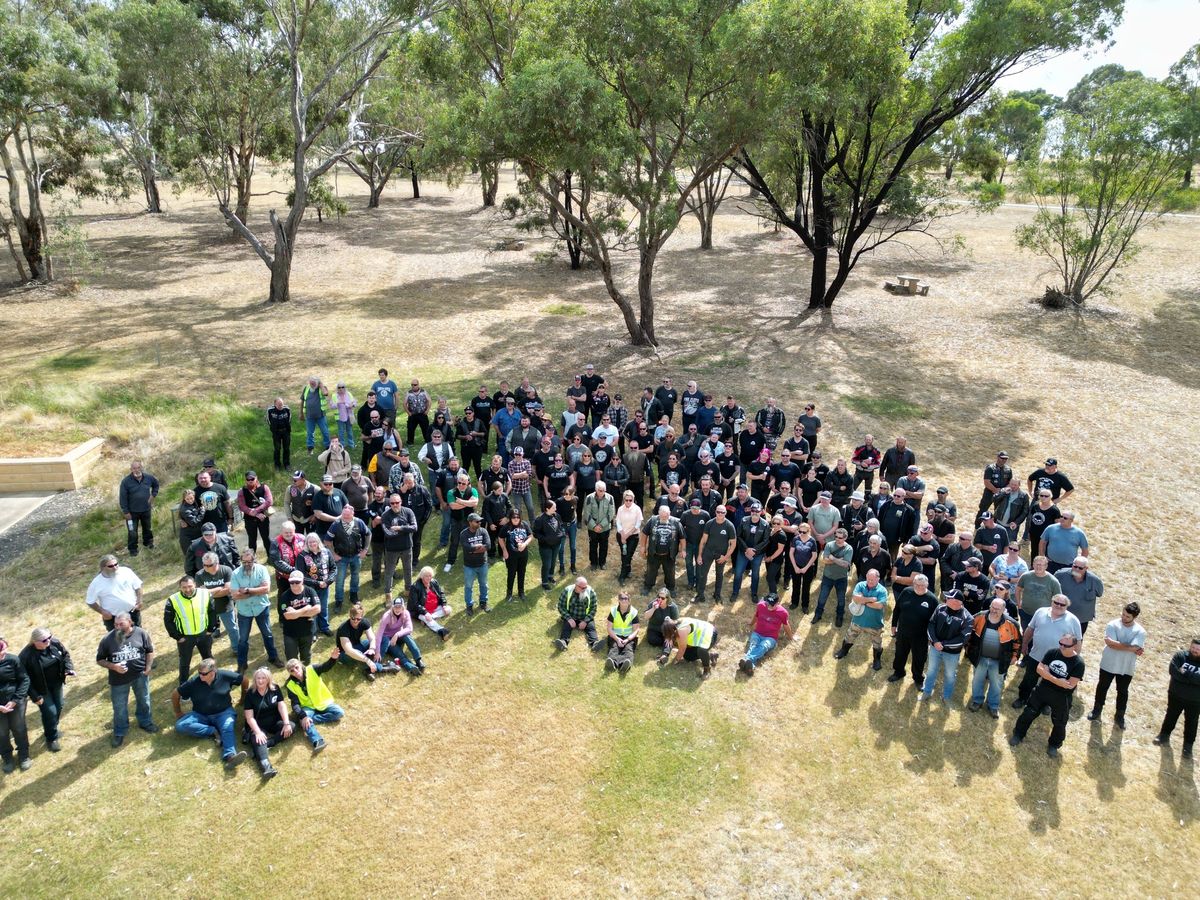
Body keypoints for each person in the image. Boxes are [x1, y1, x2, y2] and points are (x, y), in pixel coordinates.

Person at [1009, 633, 1084, 758]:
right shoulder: (1053, 652)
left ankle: (1054, 744)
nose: (1062, 647)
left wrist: (1047, 674)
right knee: (1029, 712)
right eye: (1060, 643)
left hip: (1062, 696)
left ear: (1074, 646)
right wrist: (1057, 680)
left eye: (1066, 645)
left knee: (1059, 723)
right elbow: (1039, 669)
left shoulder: (1078, 663)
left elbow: (1070, 684)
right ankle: (1018, 734)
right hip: (1043, 689)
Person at [172, 658, 248, 769]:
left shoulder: (224, 675)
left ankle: (230, 756)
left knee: (227, 727)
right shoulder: (193, 682)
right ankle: (212, 731)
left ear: (213, 672)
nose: (200, 676)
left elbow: (244, 680)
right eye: (199, 673)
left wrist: (243, 699)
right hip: (200, 715)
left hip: (224, 712)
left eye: (204, 674)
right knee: (180, 725)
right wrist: (178, 712)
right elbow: (175, 694)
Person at [96, 613, 158, 747]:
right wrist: (113, 666)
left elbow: (149, 651)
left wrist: (148, 667)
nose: (118, 627)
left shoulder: (141, 633)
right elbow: (99, 659)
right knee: (119, 707)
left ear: (130, 622)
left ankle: (145, 722)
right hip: (118, 680)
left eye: (121, 624)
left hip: (140, 676)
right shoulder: (108, 639)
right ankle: (120, 731)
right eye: (115, 625)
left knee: (144, 700)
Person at [1013, 595, 1082, 708]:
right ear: (1052, 601)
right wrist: (1024, 644)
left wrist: (1074, 659)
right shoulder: (1040, 612)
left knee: (1051, 685)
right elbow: (1030, 629)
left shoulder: (1073, 620)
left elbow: (1078, 641)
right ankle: (1022, 698)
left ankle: (1046, 705)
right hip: (1036, 655)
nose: (1058, 605)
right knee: (1029, 679)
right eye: (1056, 602)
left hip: (1056, 661)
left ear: (1067, 606)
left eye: (1062, 604)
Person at [1088, 602, 1146, 729]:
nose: (1124, 618)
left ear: (1134, 617)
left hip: (1126, 666)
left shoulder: (1140, 631)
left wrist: (1118, 644)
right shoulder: (1113, 624)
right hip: (1108, 663)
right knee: (1102, 687)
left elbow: (1128, 646)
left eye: (1127, 617)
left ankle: (1120, 715)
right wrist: (1131, 647)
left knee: (1123, 691)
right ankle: (1097, 709)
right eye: (1123, 614)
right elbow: (1111, 644)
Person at [18, 628, 74, 753]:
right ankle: (51, 738)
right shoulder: (25, 656)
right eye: (44, 640)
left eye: (50, 637)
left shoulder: (54, 643)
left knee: (59, 707)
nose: (48, 641)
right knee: (50, 712)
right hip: (41, 689)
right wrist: (34, 696)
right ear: (35, 641)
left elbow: (65, 655)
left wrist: (68, 668)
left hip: (57, 684)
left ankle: (51, 727)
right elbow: (23, 678)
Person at [966, 598, 1021, 717]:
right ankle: (977, 701)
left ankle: (993, 706)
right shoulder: (979, 617)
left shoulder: (1011, 624)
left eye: (997, 609)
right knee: (977, 680)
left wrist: (1015, 656)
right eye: (992, 607)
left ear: (1003, 610)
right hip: (981, 657)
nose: (994, 610)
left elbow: (1017, 642)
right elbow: (968, 632)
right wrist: (968, 649)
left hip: (999, 660)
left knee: (996, 684)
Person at [232, 548, 281, 675]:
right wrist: (256, 591)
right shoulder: (235, 573)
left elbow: (266, 589)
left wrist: (247, 590)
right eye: (244, 562)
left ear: (255, 559)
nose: (247, 564)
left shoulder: (262, 569)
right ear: (241, 561)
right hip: (244, 611)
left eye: (250, 561)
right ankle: (242, 664)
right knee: (243, 639)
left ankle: (273, 657)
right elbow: (235, 596)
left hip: (261, 608)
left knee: (267, 634)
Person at [919, 589, 973, 703]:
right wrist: (935, 641)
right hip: (935, 647)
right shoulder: (940, 608)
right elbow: (931, 624)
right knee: (931, 670)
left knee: (950, 675)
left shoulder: (967, 618)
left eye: (948, 597)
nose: (945, 599)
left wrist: (943, 645)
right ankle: (927, 691)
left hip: (952, 653)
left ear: (956, 602)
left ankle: (946, 696)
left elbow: (963, 639)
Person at [163, 574, 218, 685]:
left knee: (208, 658)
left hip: (204, 634)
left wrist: (211, 629)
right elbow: (168, 621)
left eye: (190, 586)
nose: (187, 589)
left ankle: (214, 679)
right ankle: (183, 685)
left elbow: (212, 612)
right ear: (180, 587)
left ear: (195, 585)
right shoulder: (173, 600)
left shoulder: (205, 594)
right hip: (185, 638)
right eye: (184, 587)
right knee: (184, 663)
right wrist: (178, 637)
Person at [241, 667, 293, 779]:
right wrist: (258, 732)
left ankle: (268, 743)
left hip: (274, 721)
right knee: (258, 738)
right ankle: (266, 767)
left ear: (268, 679)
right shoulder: (250, 693)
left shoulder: (275, 688)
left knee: (291, 726)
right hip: (258, 724)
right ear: (255, 679)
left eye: (263, 678)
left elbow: (281, 705)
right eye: (258, 678)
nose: (260, 681)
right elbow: (249, 717)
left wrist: (286, 723)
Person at [284, 655, 344, 752]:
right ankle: (317, 741)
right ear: (289, 673)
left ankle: (310, 720)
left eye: (296, 667)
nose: (295, 671)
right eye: (292, 670)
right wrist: (303, 716)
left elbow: (326, 666)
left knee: (339, 713)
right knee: (305, 720)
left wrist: (333, 658)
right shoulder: (290, 684)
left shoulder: (312, 669)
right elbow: (295, 704)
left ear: (300, 665)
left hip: (323, 702)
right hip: (307, 707)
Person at [1153, 638, 1200, 759]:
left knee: (1192, 723)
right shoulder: (1180, 656)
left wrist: (1185, 673)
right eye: (1193, 648)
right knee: (1171, 716)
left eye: (1198, 649)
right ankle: (1164, 735)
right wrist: (1194, 679)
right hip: (1176, 695)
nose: (1194, 651)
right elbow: (1173, 671)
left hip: (1195, 700)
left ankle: (1187, 747)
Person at [833, 569, 889, 670]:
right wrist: (870, 600)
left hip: (874, 623)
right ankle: (843, 651)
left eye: (872, 579)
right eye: (868, 578)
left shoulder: (882, 590)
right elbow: (855, 599)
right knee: (849, 636)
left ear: (878, 579)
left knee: (877, 643)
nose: (870, 581)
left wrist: (863, 601)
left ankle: (876, 660)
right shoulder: (860, 585)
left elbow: (879, 606)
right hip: (858, 621)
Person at [889, 574, 937, 686]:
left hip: (921, 636)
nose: (919, 587)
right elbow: (897, 609)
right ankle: (899, 672)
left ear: (927, 585)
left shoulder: (932, 599)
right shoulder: (906, 592)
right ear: (913, 584)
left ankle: (918, 678)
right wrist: (893, 625)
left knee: (919, 658)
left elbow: (934, 621)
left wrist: (932, 637)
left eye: (922, 585)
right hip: (903, 632)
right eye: (916, 584)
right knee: (900, 654)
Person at [325, 505, 370, 611]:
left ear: (353, 514)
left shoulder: (359, 522)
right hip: (341, 557)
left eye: (347, 515)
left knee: (355, 576)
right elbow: (327, 540)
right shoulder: (336, 524)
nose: (345, 516)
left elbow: (368, 534)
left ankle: (354, 596)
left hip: (356, 556)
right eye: (343, 514)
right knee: (339, 580)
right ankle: (338, 601)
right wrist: (333, 554)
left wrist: (365, 550)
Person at [738, 593, 793, 676]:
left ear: (777, 604)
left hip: (770, 638)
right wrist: (751, 624)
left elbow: (786, 625)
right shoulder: (760, 605)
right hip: (757, 633)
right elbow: (756, 616)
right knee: (753, 644)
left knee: (763, 646)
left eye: (771, 605)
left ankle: (747, 659)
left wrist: (791, 637)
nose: (769, 607)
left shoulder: (783, 613)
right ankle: (750, 666)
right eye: (767, 604)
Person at [86, 554, 143, 630]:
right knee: (117, 640)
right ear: (103, 568)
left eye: (116, 564)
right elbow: (90, 601)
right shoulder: (96, 583)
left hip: (132, 612)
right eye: (111, 566)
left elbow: (138, 586)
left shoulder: (126, 571)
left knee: (138, 636)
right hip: (113, 618)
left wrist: (139, 601)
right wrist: (103, 612)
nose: (115, 567)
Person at [379, 492, 417, 603]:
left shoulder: (408, 511)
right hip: (391, 549)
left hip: (407, 547)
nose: (395, 505)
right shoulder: (385, 516)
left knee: (408, 570)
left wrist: (399, 528)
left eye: (397, 502)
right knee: (389, 572)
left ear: (401, 502)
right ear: (390, 504)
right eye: (392, 503)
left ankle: (408, 590)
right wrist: (406, 530)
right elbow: (388, 534)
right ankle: (388, 595)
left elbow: (414, 527)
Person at [0, 635, 31, 772]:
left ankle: (24, 756)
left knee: (19, 729)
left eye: (5, 649)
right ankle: (7, 758)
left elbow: (24, 679)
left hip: (15, 703)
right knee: (1, 733)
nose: (4, 653)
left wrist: (15, 700)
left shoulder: (13, 660)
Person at [812, 529, 854, 626]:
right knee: (822, 597)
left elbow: (845, 564)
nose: (837, 539)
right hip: (828, 577)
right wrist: (839, 560)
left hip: (841, 578)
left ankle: (839, 616)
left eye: (840, 538)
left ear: (845, 538)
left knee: (841, 599)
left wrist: (832, 558)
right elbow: (824, 560)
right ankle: (818, 614)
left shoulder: (849, 549)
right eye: (836, 537)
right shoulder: (829, 545)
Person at [641, 504, 685, 595]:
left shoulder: (676, 522)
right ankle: (647, 587)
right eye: (663, 515)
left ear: (669, 513)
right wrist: (642, 547)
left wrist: (682, 550)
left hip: (669, 554)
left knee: (670, 573)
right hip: (654, 553)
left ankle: (671, 589)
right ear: (659, 513)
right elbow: (644, 533)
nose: (665, 517)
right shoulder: (652, 520)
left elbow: (682, 538)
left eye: (667, 515)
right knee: (651, 571)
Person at [277, 572, 320, 665]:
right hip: (290, 634)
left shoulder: (310, 591)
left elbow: (317, 609)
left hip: (307, 632)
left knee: (306, 658)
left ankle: (305, 676)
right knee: (292, 660)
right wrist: (307, 608)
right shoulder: (285, 596)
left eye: (297, 582)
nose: (294, 584)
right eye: (292, 582)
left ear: (302, 581)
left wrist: (295, 613)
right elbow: (288, 616)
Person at [118, 460, 159, 556]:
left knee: (147, 528)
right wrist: (125, 511)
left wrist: (153, 495)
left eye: (138, 468)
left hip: (146, 509)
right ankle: (133, 549)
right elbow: (122, 498)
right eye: (134, 468)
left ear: (141, 468)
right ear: (131, 470)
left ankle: (148, 543)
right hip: (131, 513)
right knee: (132, 531)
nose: (136, 470)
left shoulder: (149, 478)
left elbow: (156, 485)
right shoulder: (125, 482)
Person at [375, 597, 425, 675]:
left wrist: (397, 634)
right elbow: (379, 634)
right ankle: (411, 667)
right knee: (399, 653)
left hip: (398, 636)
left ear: (403, 607)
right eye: (395, 607)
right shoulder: (386, 616)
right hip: (388, 640)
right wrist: (377, 651)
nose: (397, 609)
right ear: (392, 607)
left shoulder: (406, 613)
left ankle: (418, 660)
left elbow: (410, 628)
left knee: (407, 636)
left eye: (400, 607)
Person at [1054, 556, 1103, 635]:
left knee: (1076, 640)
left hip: (1081, 620)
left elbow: (1099, 593)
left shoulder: (1094, 581)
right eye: (1075, 566)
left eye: (1080, 568)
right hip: (1061, 616)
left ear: (1086, 568)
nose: (1076, 569)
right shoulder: (1060, 575)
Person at [554, 577, 601, 651]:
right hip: (571, 616)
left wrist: (585, 621)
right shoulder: (567, 591)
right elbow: (561, 606)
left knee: (591, 628)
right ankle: (563, 642)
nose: (584, 589)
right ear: (576, 585)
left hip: (585, 617)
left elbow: (593, 608)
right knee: (566, 627)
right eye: (582, 588)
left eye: (585, 587)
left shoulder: (591, 592)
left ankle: (595, 644)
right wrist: (568, 618)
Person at [459, 512, 492, 614]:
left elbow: (488, 546)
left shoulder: (483, 531)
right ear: (470, 522)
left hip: (483, 564)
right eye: (477, 521)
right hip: (469, 566)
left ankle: (483, 602)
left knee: (484, 584)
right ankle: (469, 605)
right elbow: (466, 548)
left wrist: (473, 550)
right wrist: (478, 547)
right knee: (469, 586)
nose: (479, 523)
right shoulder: (463, 534)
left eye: (480, 521)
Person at [408, 567, 452, 640]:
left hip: (434, 608)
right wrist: (425, 613)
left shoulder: (434, 582)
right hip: (419, 611)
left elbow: (441, 594)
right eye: (426, 576)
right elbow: (415, 604)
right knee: (427, 618)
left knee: (448, 609)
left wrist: (444, 605)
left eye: (430, 576)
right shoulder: (415, 587)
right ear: (422, 576)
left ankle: (431, 617)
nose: (429, 578)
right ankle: (441, 631)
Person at [499, 508, 533, 601]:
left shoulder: (524, 524)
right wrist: (504, 551)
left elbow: (530, 536)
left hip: (523, 554)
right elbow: (500, 538)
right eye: (514, 517)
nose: (516, 519)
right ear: (510, 518)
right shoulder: (506, 527)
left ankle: (521, 592)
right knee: (511, 573)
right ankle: (509, 593)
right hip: (511, 555)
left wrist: (525, 544)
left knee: (522, 573)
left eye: (518, 517)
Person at [582, 480, 616, 570]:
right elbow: (587, 513)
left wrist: (601, 525)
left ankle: (602, 563)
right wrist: (594, 526)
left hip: (605, 528)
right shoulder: (589, 498)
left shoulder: (610, 498)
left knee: (604, 546)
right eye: (600, 490)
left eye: (604, 490)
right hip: (592, 528)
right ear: (596, 490)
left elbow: (611, 514)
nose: (602, 492)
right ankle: (593, 563)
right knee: (593, 545)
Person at [237, 470, 273, 554]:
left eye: (252, 479)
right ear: (245, 480)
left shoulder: (264, 487)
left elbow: (269, 501)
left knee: (266, 538)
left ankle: (271, 557)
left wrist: (256, 511)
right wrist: (255, 514)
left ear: (256, 478)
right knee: (252, 540)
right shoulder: (242, 491)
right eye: (248, 479)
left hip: (263, 518)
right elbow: (242, 506)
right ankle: (251, 559)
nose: (250, 481)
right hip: (249, 520)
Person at [533, 500, 566, 590]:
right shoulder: (540, 519)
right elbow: (536, 533)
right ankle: (544, 582)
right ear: (547, 509)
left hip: (556, 544)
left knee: (553, 562)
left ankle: (550, 576)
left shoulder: (557, 516)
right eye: (553, 507)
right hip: (545, 546)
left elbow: (561, 526)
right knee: (546, 564)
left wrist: (562, 533)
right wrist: (545, 539)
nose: (555, 509)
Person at [605, 591, 640, 673]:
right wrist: (617, 639)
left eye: (626, 598)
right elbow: (609, 628)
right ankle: (612, 663)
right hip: (615, 635)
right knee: (614, 648)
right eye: (622, 598)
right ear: (619, 600)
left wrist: (627, 640)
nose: (624, 600)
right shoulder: (613, 611)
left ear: (629, 600)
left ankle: (625, 663)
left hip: (629, 637)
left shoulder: (634, 612)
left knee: (628, 649)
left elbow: (636, 630)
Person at [615, 490, 644, 584]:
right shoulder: (620, 509)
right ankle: (627, 571)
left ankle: (622, 576)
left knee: (628, 555)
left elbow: (638, 524)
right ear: (624, 499)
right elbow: (618, 522)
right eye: (626, 500)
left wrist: (627, 535)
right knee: (624, 554)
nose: (628, 502)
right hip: (621, 535)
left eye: (630, 500)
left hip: (633, 536)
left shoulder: (637, 509)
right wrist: (623, 534)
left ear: (633, 500)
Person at [788, 523, 819, 612]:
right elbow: (791, 553)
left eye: (804, 532)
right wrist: (795, 567)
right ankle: (794, 602)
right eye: (800, 531)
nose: (801, 533)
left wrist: (806, 568)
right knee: (795, 584)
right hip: (796, 565)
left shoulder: (812, 541)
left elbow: (814, 555)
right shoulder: (795, 539)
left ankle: (805, 605)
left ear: (808, 531)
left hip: (808, 567)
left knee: (806, 586)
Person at [178, 487, 205, 556]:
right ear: (184, 498)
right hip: (189, 538)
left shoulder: (194, 504)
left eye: (191, 498)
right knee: (192, 557)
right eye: (187, 499)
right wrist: (202, 511)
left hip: (196, 535)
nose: (190, 500)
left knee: (200, 555)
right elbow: (194, 522)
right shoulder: (184, 509)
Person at [267, 397, 293, 470]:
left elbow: (290, 418)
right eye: (279, 405)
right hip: (276, 433)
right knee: (277, 449)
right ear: (275, 404)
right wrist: (273, 429)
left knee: (286, 448)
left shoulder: (287, 409)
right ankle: (277, 465)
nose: (281, 406)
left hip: (285, 432)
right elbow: (268, 420)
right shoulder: (270, 410)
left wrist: (287, 428)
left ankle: (287, 464)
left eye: (282, 404)